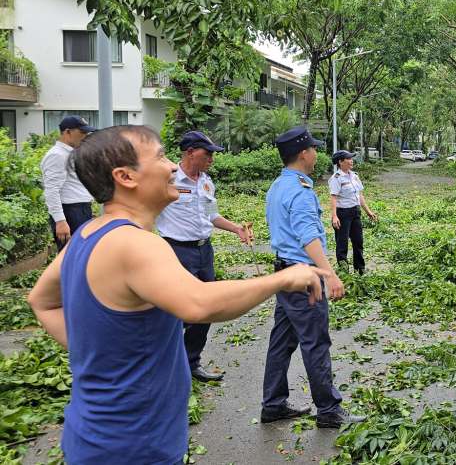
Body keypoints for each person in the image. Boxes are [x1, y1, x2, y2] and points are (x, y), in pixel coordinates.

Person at [26, 125, 325, 465]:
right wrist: (282, 279)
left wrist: (101, 353)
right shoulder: (135, 243)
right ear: (126, 177)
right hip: (133, 444)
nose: (171, 166)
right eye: (159, 156)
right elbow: (198, 303)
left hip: (96, 436)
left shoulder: (89, 232)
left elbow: (42, 301)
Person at [261, 128, 365, 429]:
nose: (317, 154)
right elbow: (309, 237)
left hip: (284, 272)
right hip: (304, 276)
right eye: (313, 150)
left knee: (281, 340)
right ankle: (328, 410)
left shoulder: (278, 186)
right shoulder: (300, 190)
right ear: (303, 153)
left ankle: (273, 404)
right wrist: (330, 274)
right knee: (315, 341)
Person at [156, 130, 253, 382]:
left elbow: (212, 215)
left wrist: (236, 229)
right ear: (190, 152)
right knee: (178, 310)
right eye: (207, 153)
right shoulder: (167, 181)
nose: (212, 158)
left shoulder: (206, 182)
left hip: (203, 251)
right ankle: (166, 365)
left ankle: (191, 362)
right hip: (176, 251)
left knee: (207, 308)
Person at [41, 115, 96, 250]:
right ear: (67, 132)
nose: (86, 136)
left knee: (81, 255)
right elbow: (52, 190)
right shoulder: (57, 155)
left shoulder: (70, 153)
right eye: (82, 132)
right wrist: (60, 221)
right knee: (70, 257)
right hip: (70, 212)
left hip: (80, 210)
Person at [329, 150, 377, 275]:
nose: (351, 161)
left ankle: (360, 269)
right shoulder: (336, 178)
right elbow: (333, 197)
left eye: (351, 158)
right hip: (342, 214)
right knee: (342, 244)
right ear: (340, 162)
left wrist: (368, 212)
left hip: (355, 212)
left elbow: (360, 195)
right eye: (348, 159)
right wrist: (334, 216)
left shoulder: (354, 175)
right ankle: (344, 272)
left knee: (358, 242)